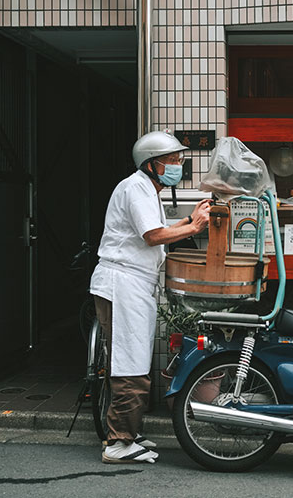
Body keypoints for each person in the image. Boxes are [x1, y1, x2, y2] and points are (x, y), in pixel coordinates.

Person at [90, 130, 210, 464]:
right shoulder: (136, 188)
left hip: (132, 283)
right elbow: (153, 235)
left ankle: (128, 433)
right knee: (130, 361)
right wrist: (194, 227)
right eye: (171, 160)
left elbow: (158, 230)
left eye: (178, 159)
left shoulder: (146, 189)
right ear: (151, 164)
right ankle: (119, 443)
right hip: (123, 283)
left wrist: (189, 219)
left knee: (135, 358)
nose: (177, 166)